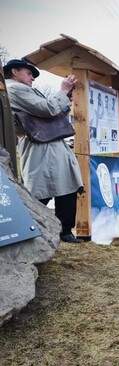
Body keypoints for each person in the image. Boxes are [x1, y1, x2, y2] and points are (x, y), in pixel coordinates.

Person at [4, 59, 84, 243]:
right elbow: (47, 108)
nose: (32, 77)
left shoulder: (26, 89)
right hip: (39, 144)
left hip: (51, 142)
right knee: (40, 190)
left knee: (67, 186)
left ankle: (64, 230)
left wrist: (64, 102)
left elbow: (53, 113)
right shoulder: (15, 88)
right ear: (14, 72)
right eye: (29, 73)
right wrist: (63, 90)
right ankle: (27, 227)